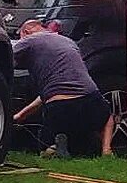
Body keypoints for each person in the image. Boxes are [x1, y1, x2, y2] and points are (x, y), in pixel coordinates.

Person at [11, 19, 115, 158]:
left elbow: (4, 56)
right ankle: (107, 150)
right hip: (90, 99)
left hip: (59, 107)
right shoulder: (68, 41)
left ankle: (52, 145)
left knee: (46, 146)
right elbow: (50, 93)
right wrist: (21, 115)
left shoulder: (29, 40)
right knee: (106, 117)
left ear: (26, 32)